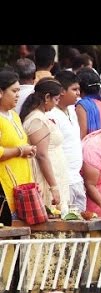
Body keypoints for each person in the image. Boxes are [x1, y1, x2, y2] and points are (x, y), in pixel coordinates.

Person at [20, 77, 69, 210]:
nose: (56, 104)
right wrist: (53, 187)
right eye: (57, 99)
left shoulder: (42, 117)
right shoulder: (37, 119)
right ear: (47, 97)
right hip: (46, 180)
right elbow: (41, 155)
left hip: (54, 176)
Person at [0, 71, 36, 226]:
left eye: (18, 91)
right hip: (5, 188)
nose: (17, 95)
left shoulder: (14, 115)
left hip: (22, 189)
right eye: (14, 91)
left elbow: (20, 143)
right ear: (0, 92)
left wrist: (27, 149)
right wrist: (20, 151)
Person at [49, 70, 86, 210]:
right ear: (62, 91)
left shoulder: (72, 110)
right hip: (62, 181)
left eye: (79, 89)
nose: (78, 93)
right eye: (74, 89)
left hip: (77, 179)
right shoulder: (51, 114)